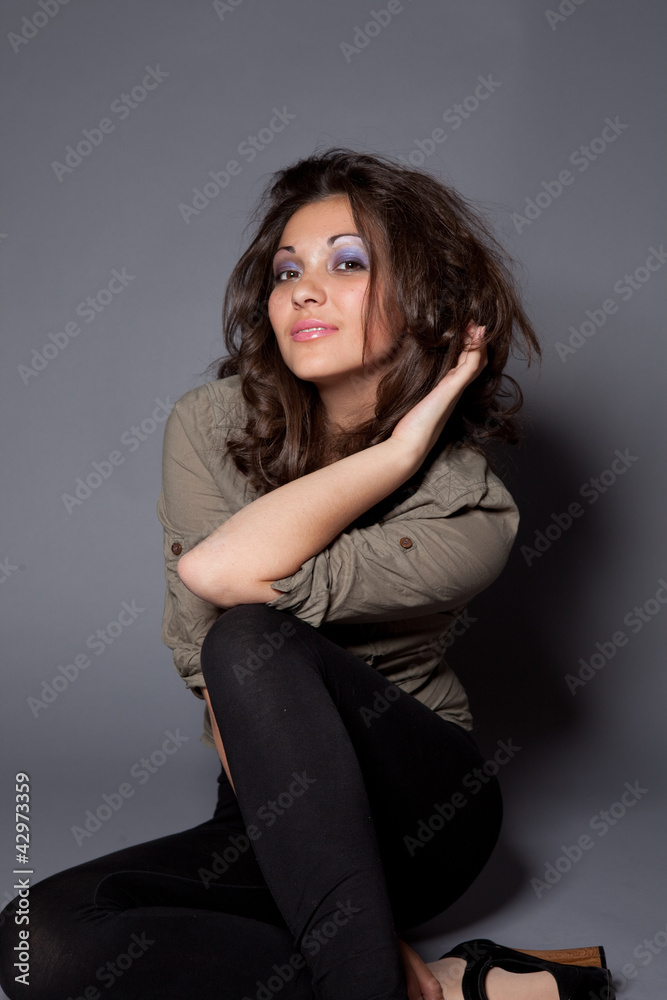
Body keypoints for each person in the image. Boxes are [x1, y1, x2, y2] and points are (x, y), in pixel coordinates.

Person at [0, 149, 615, 1000]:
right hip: (268, 806)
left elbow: (223, 578)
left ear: (428, 305)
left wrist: (398, 452)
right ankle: (442, 985)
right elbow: (212, 670)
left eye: (347, 263)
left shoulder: (466, 504)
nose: (302, 291)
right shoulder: (210, 426)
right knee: (37, 943)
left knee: (250, 636)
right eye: (286, 271)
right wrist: (354, 929)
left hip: (421, 816)